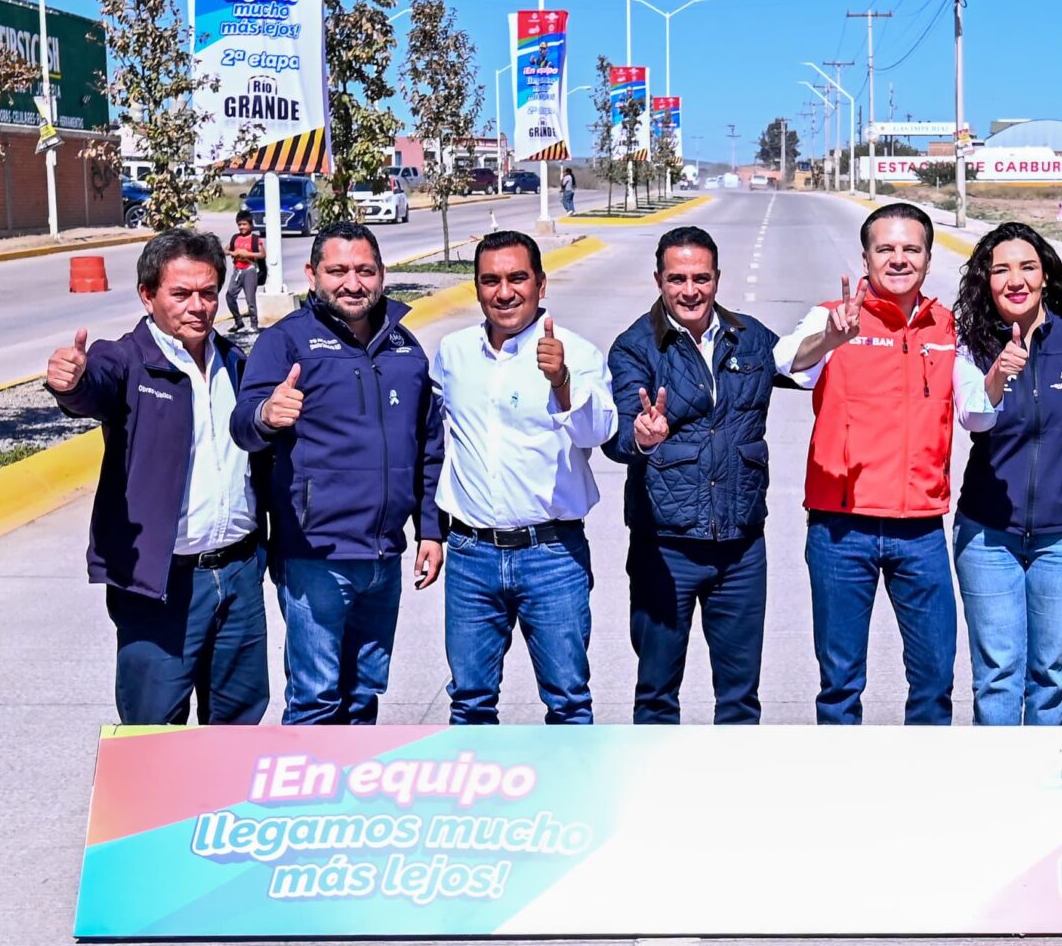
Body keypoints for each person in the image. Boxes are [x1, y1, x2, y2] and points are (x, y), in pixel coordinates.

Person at [46, 229, 268, 725]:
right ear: (148, 296)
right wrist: (72, 382)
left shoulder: (234, 362)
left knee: (238, 725)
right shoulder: (125, 360)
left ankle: (221, 806)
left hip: (237, 575)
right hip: (161, 583)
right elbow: (93, 387)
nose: (198, 306)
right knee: (152, 731)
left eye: (208, 293)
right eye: (181, 293)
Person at [230, 222, 445, 725]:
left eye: (365, 270)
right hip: (315, 555)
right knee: (315, 697)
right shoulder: (286, 342)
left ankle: (349, 801)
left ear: (382, 274)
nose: (353, 283)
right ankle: (304, 804)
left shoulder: (403, 347)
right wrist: (266, 415)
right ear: (312, 275)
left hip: (384, 556)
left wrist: (430, 530)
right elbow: (244, 423)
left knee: (364, 693)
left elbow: (428, 445)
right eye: (338, 271)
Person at [776, 202, 960, 725]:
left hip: (921, 530)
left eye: (911, 249)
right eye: (886, 249)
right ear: (865, 257)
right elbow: (786, 361)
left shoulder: (949, 327)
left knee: (934, 678)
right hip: (841, 531)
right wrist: (831, 338)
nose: (898, 259)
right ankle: (844, 791)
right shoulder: (834, 316)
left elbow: (977, 407)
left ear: (927, 258)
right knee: (840, 683)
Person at [429, 231, 617, 724]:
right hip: (472, 556)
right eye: (491, 281)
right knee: (470, 702)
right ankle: (472, 801)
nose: (504, 292)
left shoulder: (574, 351)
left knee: (568, 700)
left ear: (541, 283)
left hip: (551, 555)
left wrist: (562, 382)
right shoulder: (452, 353)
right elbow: (431, 439)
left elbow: (597, 431)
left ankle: (572, 799)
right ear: (476, 288)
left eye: (517, 278)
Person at [602, 226, 782, 724]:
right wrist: (643, 436)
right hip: (666, 548)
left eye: (701, 278)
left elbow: (804, 363)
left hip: (741, 548)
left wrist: (835, 334)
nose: (690, 291)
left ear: (717, 278)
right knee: (657, 693)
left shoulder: (749, 336)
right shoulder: (635, 347)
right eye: (677, 278)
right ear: (659, 279)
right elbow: (617, 436)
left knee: (741, 699)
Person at [952, 223, 1062, 726]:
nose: (1015, 279)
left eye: (1027, 266)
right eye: (1001, 269)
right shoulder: (971, 345)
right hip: (987, 535)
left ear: (1045, 275)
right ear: (986, 280)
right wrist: (998, 375)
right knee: (997, 675)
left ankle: (1046, 790)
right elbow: (974, 419)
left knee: (1051, 675)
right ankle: (1000, 793)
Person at [224, 211, 264, 333]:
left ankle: (254, 324)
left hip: (249, 270)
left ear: (250, 225)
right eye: (239, 224)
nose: (242, 227)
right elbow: (225, 250)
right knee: (230, 296)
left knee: (250, 299)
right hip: (237, 271)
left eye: (244, 224)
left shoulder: (255, 239)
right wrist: (232, 253)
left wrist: (247, 254)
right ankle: (238, 321)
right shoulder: (235, 238)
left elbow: (262, 254)